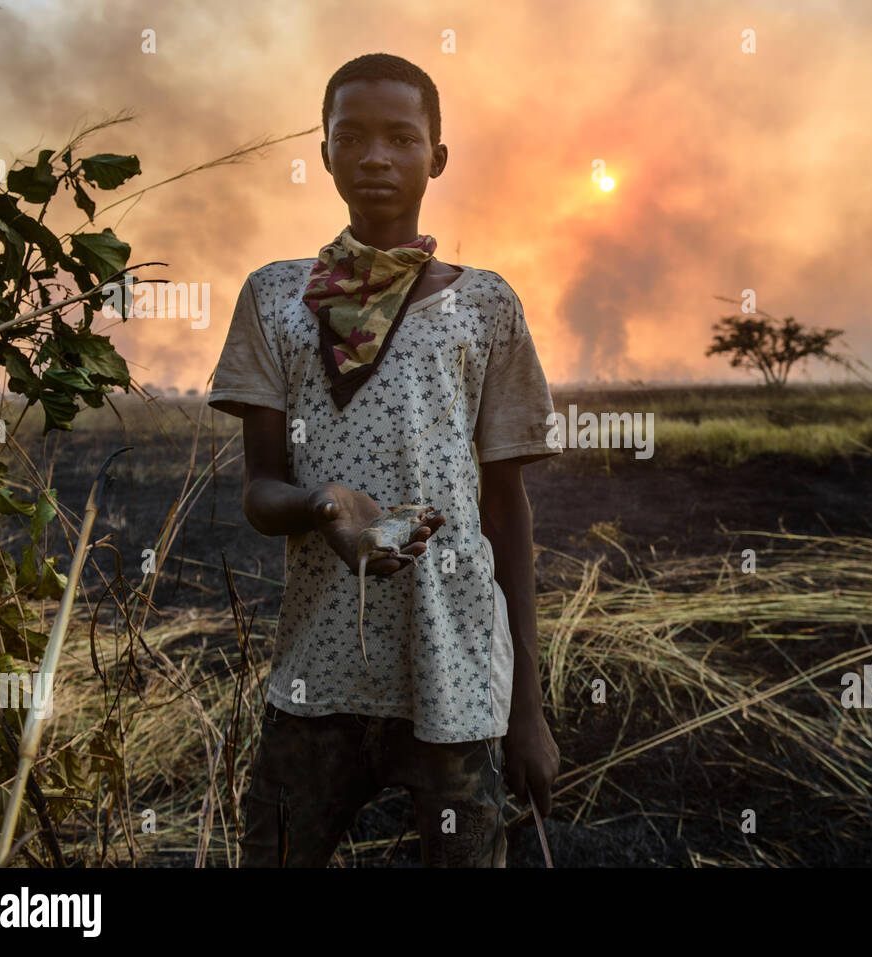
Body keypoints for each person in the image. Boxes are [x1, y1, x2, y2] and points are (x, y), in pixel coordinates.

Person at [207, 52, 562, 867]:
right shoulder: (274, 296)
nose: (376, 156)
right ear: (323, 149)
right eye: (353, 136)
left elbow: (506, 509)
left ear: (437, 156)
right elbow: (261, 493)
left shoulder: (485, 304)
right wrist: (324, 506)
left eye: (402, 137)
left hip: (457, 670)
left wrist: (528, 710)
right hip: (319, 670)